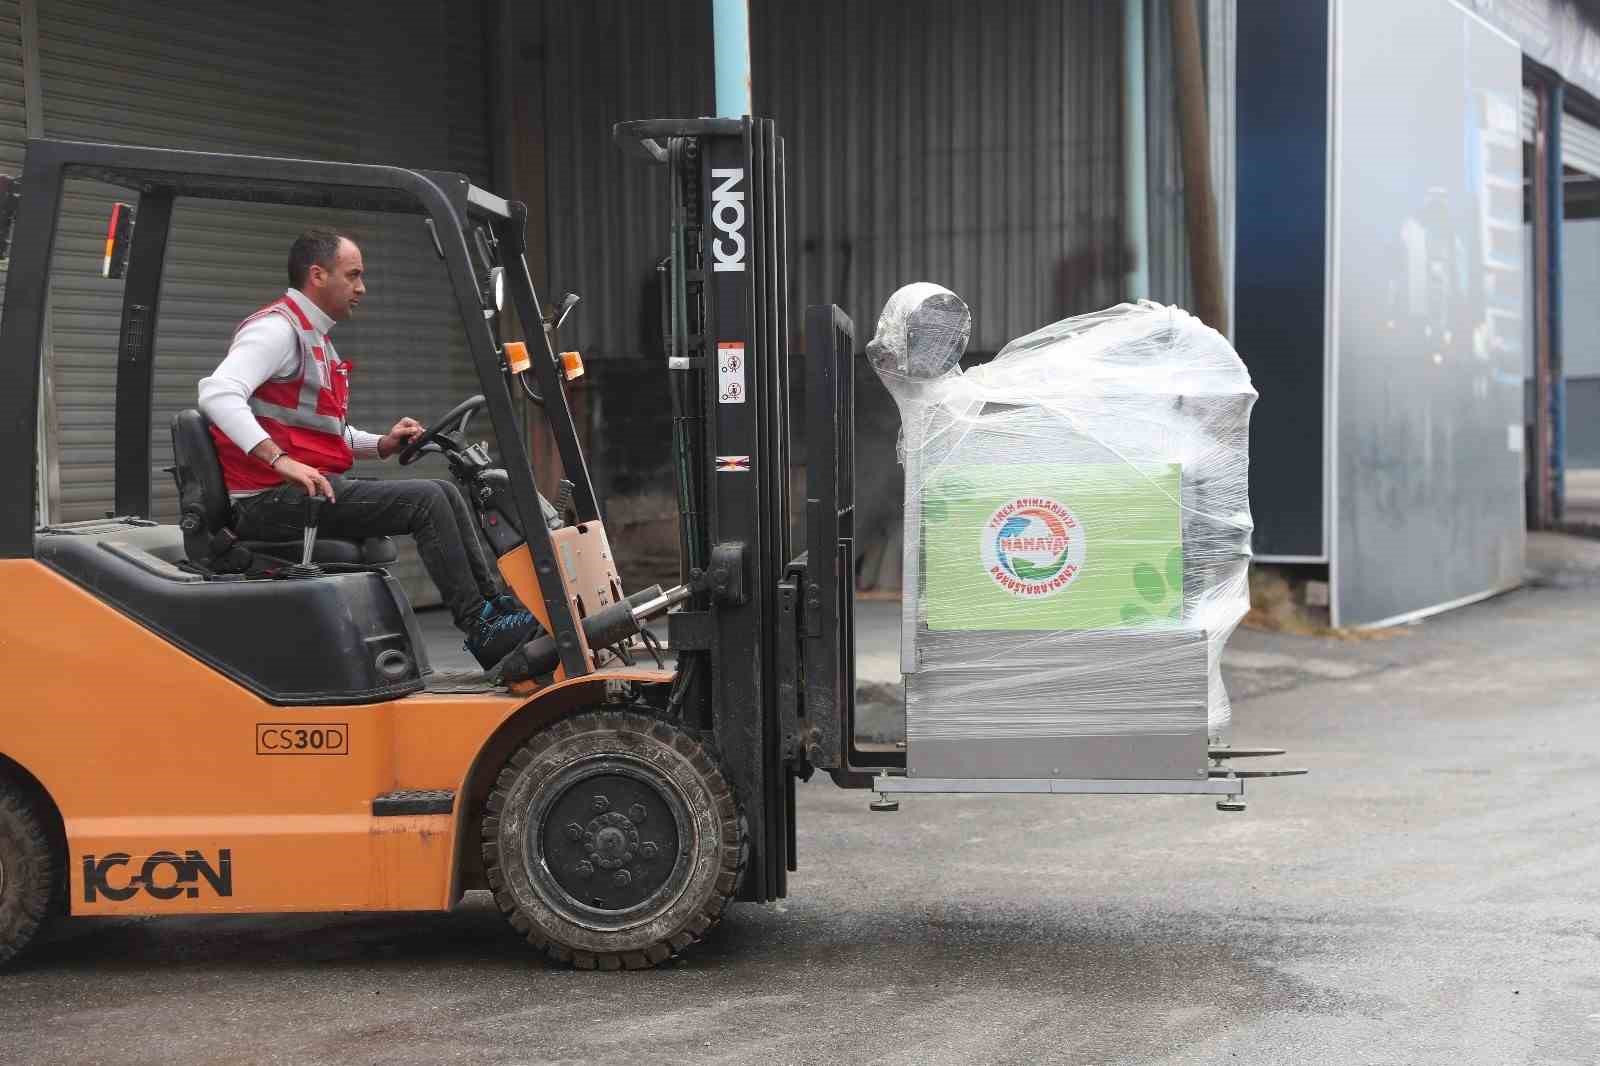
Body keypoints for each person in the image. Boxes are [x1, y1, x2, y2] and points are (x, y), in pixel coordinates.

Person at [198, 227, 541, 669]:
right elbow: (218, 394)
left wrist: (380, 443)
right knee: (426, 501)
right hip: (266, 500)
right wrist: (280, 461)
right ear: (317, 276)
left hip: (302, 491)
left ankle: (496, 609)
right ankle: (480, 626)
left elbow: (322, 433)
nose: (362, 287)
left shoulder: (314, 338)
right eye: (353, 275)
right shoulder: (277, 331)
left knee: (447, 491)